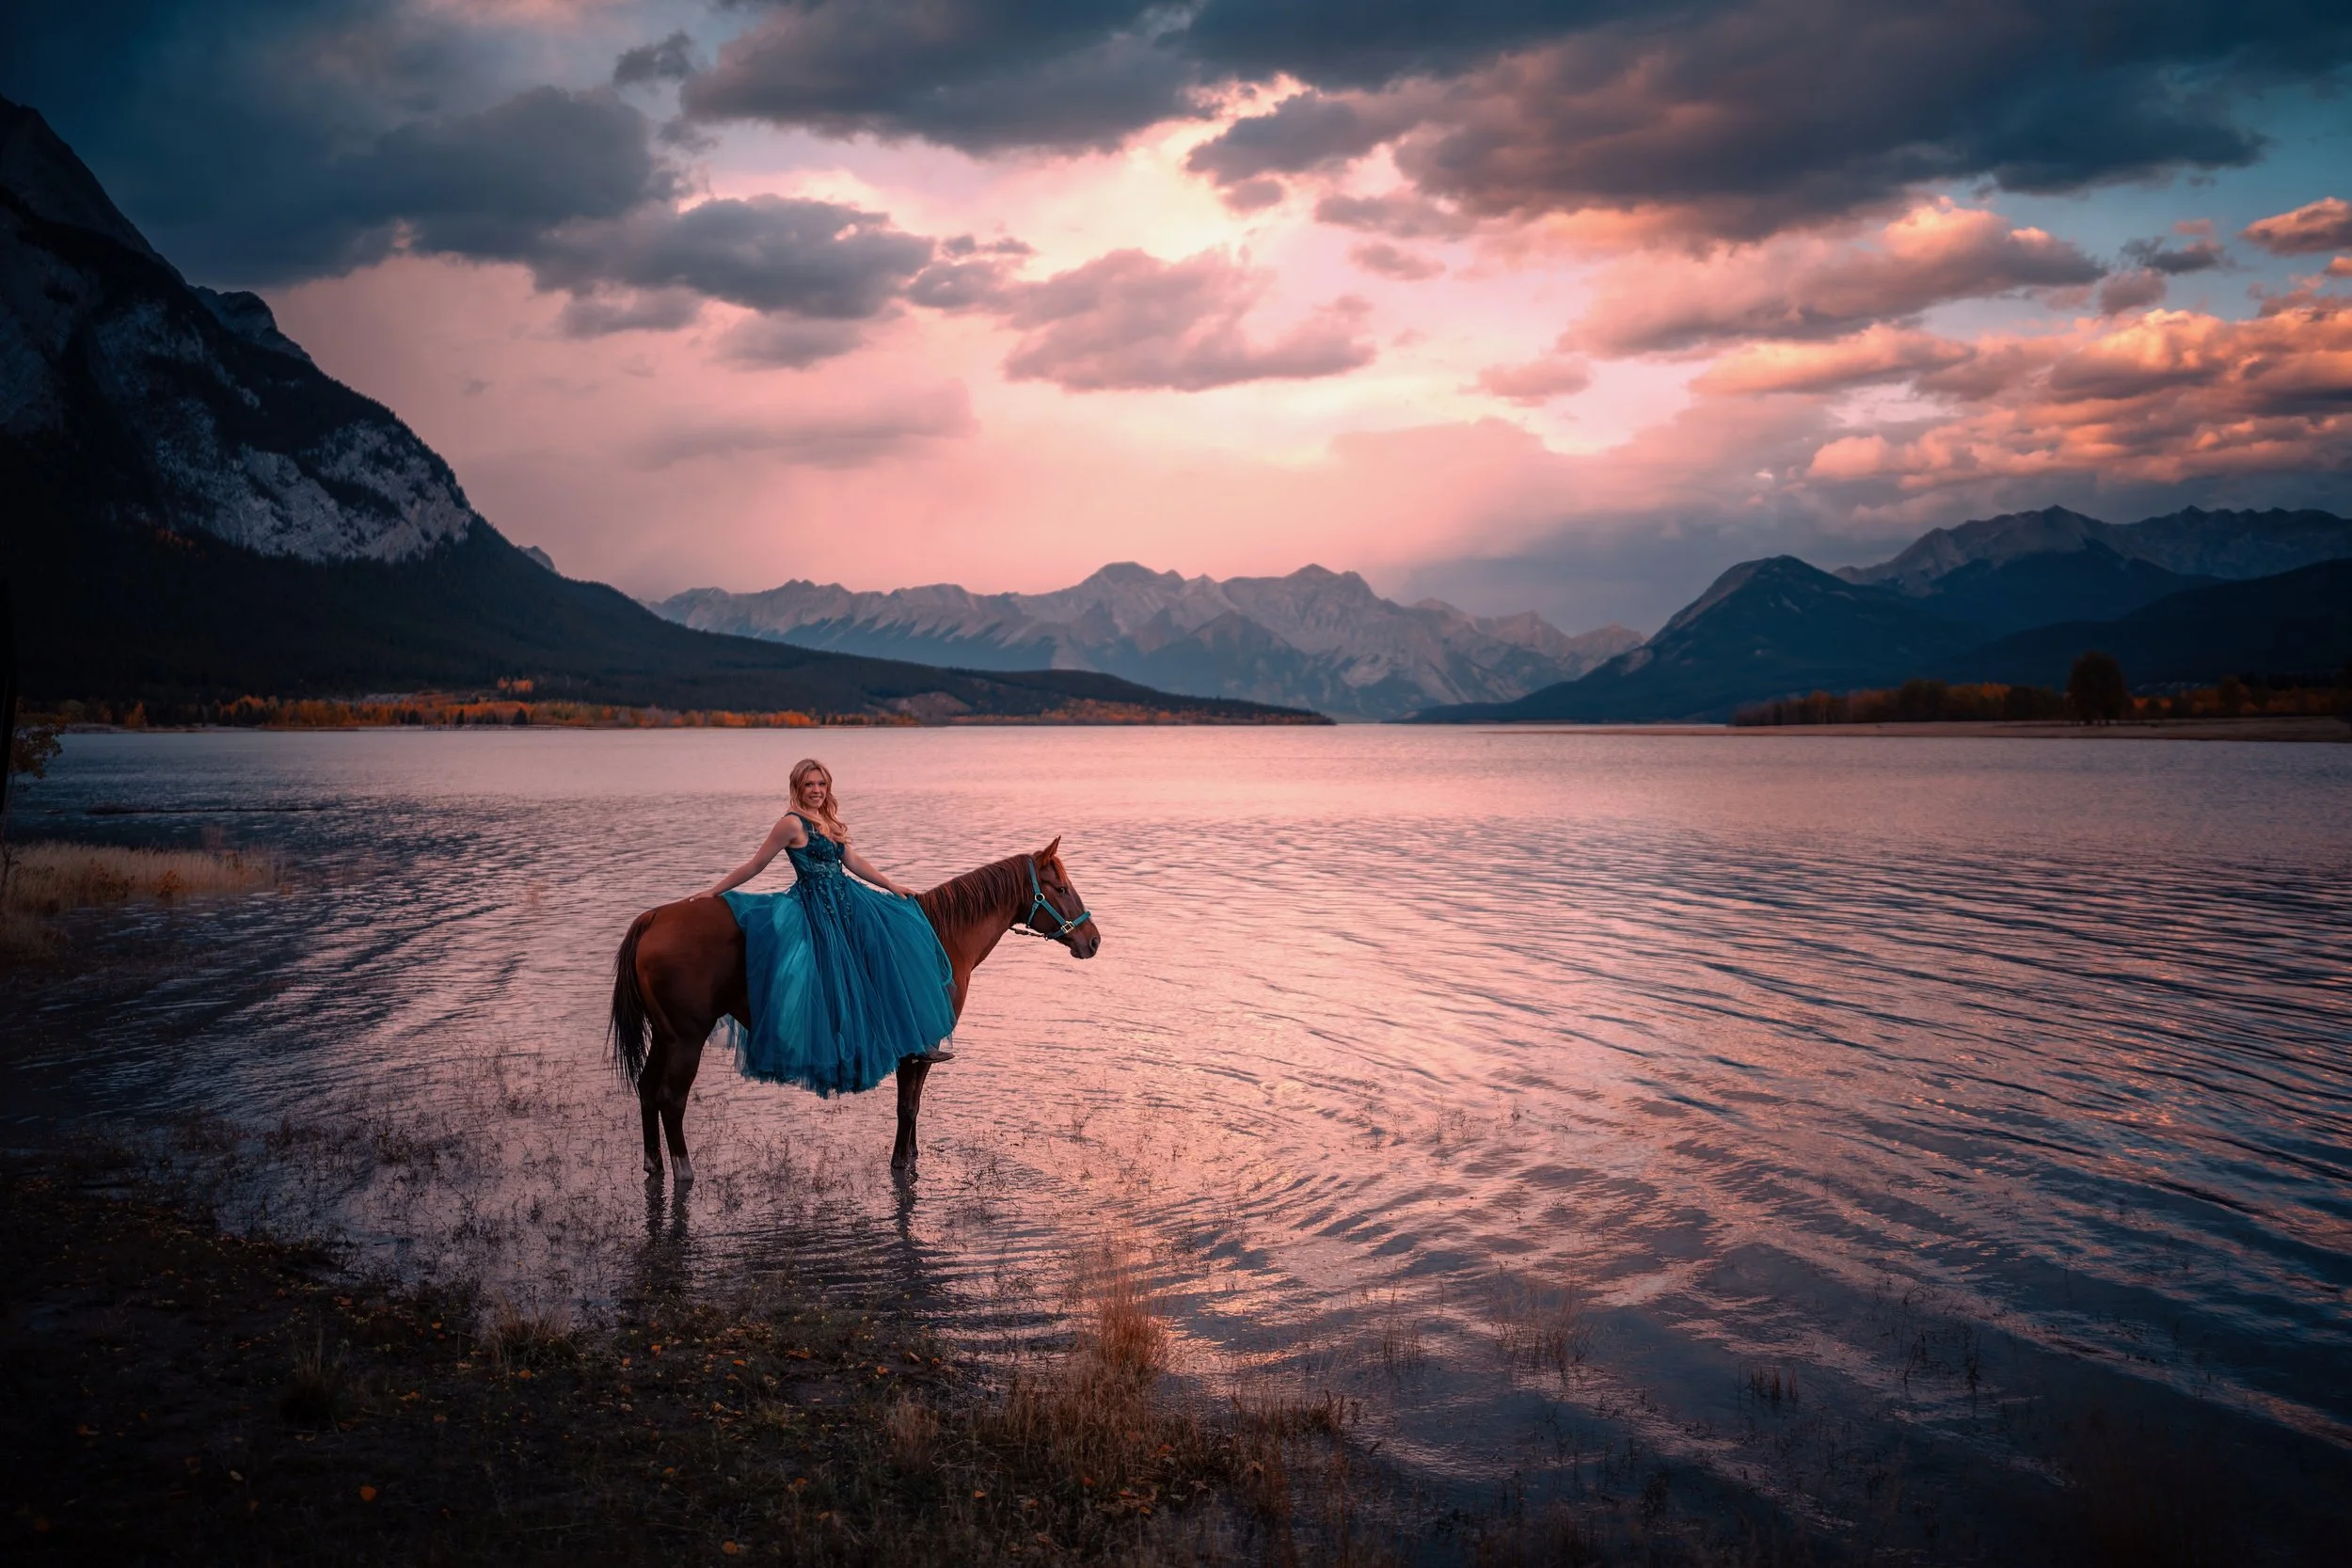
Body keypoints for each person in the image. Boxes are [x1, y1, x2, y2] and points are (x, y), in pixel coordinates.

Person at [697, 758, 957, 1094]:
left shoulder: (827, 819)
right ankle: (850, 1048)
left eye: (821, 784)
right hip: (817, 909)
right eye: (809, 785)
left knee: (898, 941)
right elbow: (756, 864)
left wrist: (891, 885)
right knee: (836, 978)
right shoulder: (791, 824)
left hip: (851, 898)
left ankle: (913, 1041)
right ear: (797, 788)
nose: (817, 790)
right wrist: (713, 891)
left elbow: (852, 861)